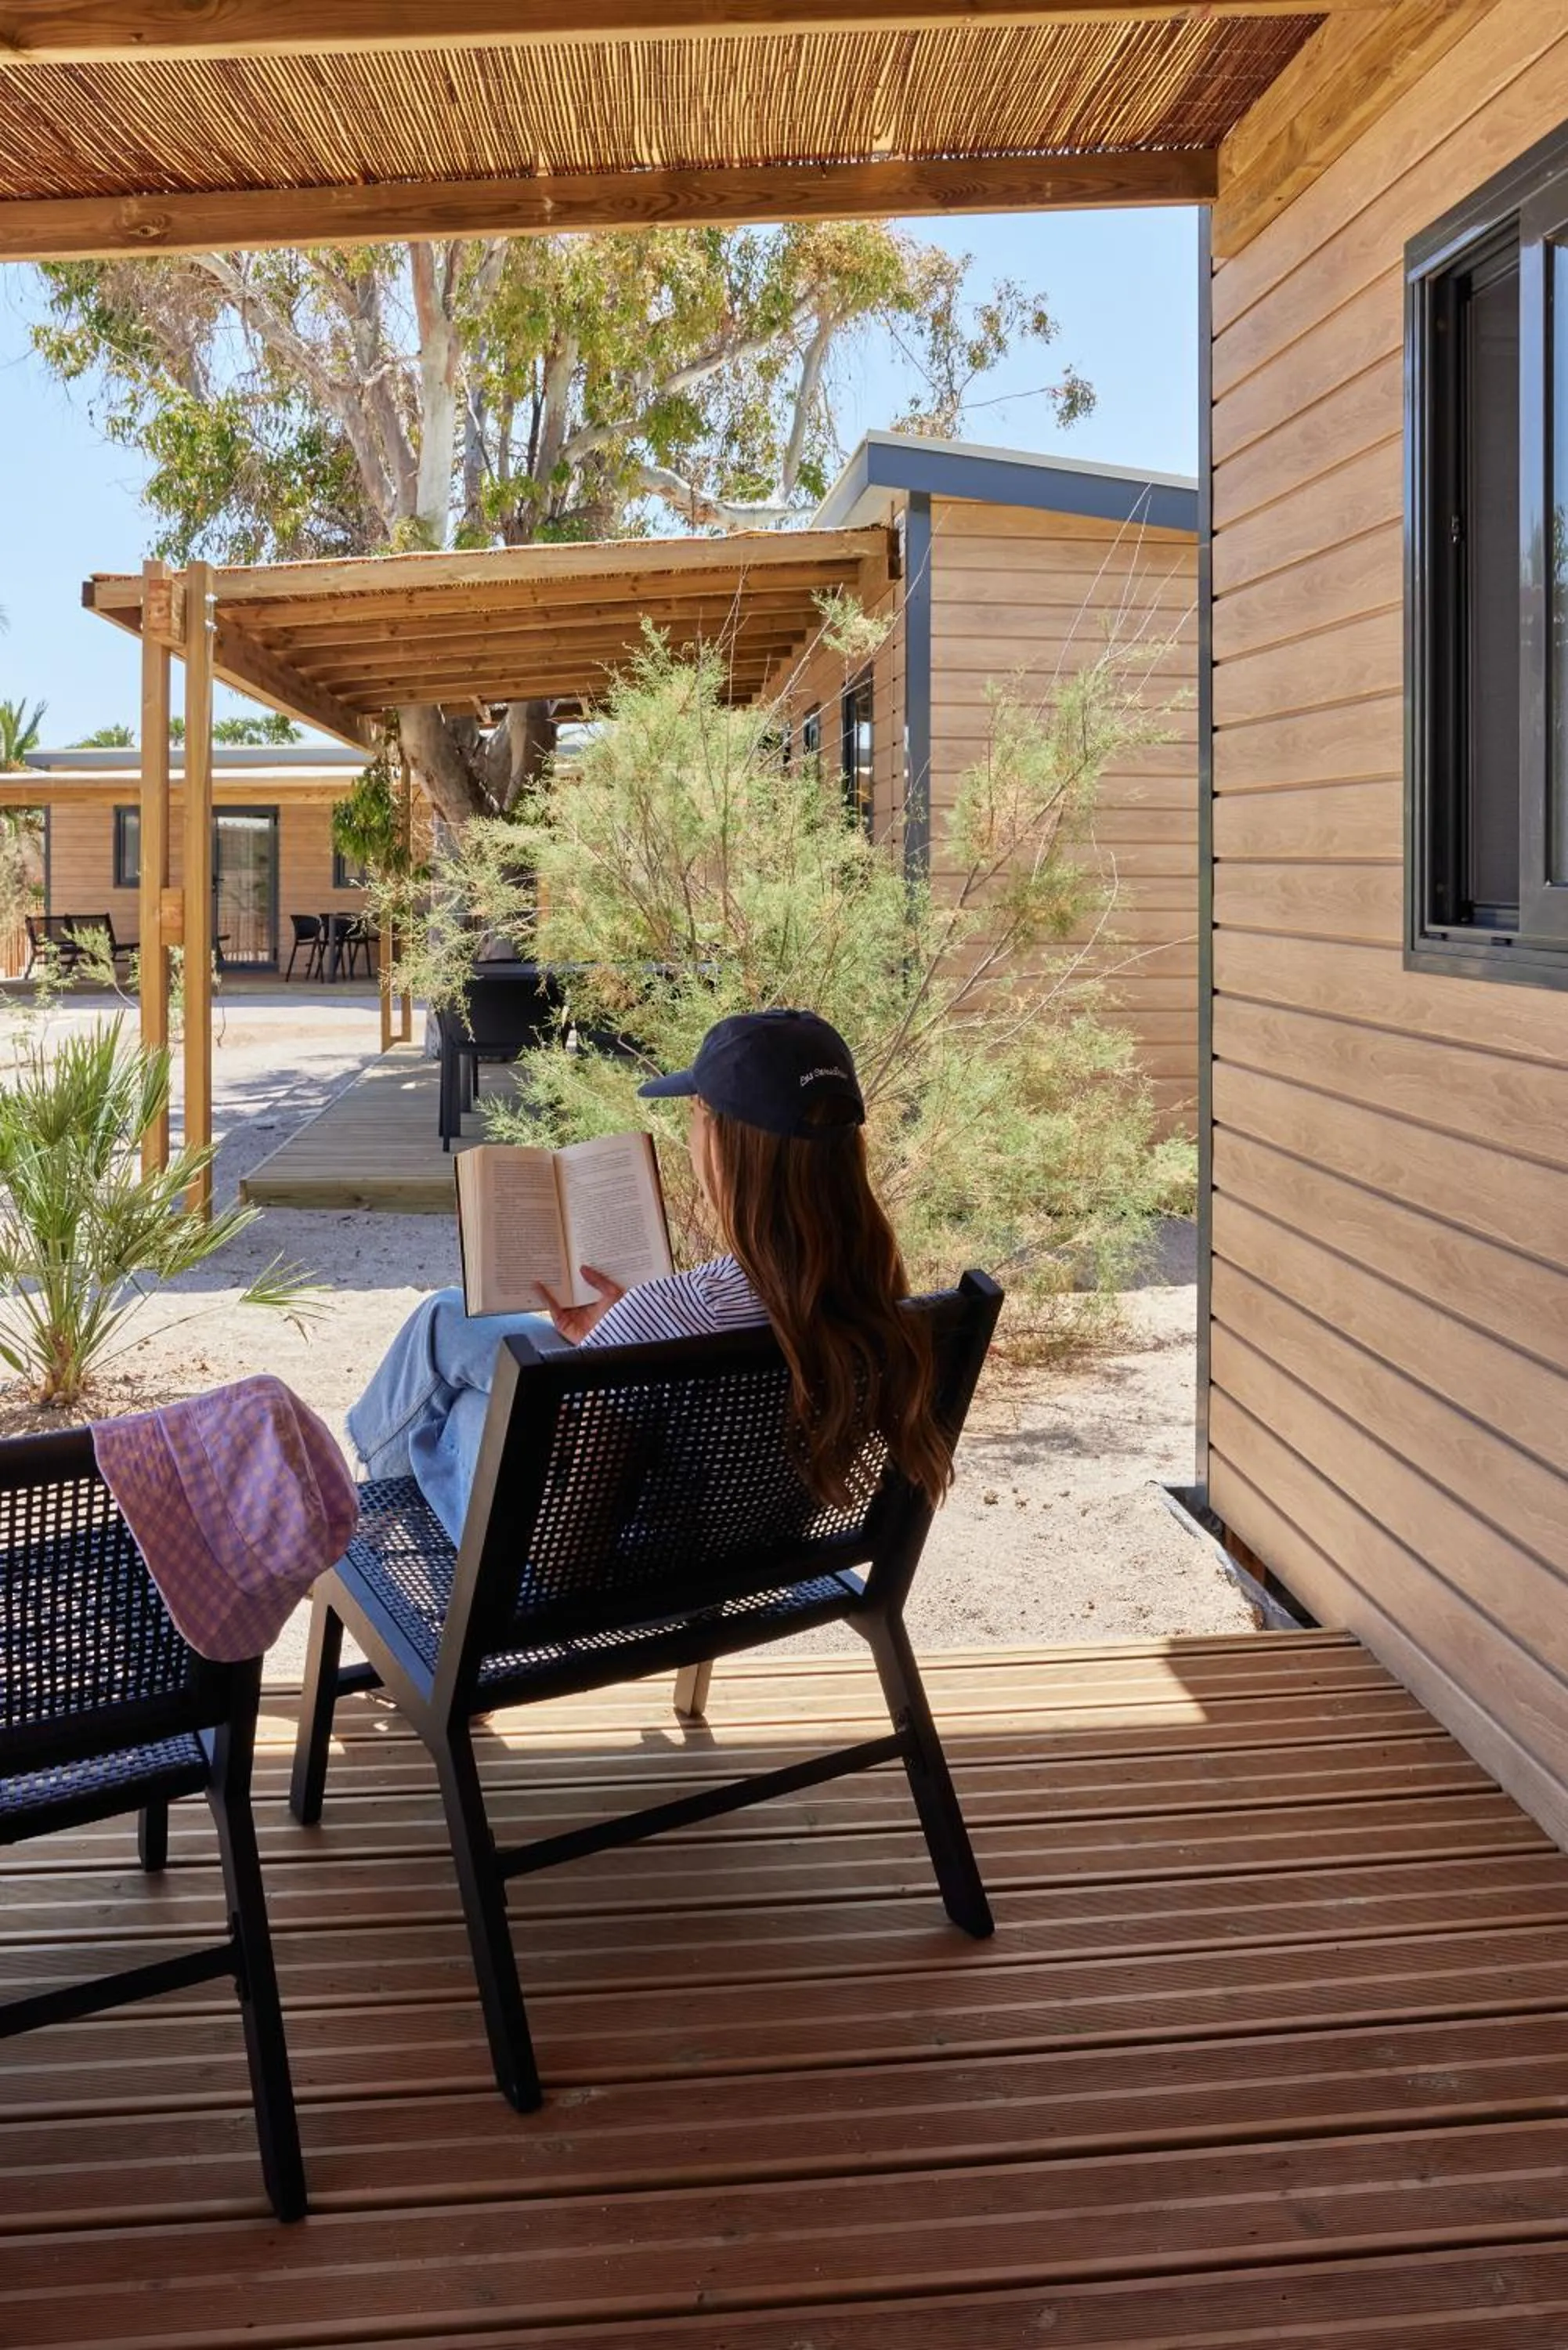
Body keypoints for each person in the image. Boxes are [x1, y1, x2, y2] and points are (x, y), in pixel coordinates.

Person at [347, 1008, 952, 1541]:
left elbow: (568, 1518)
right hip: (734, 1552)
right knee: (447, 1318)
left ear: (723, 1143)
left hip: (575, 1579)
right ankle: (359, 1512)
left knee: (461, 1410)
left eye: (695, 1111)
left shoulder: (676, 1311)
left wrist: (628, 1336)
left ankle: (353, 1522)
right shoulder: (876, 1296)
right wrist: (615, 1338)